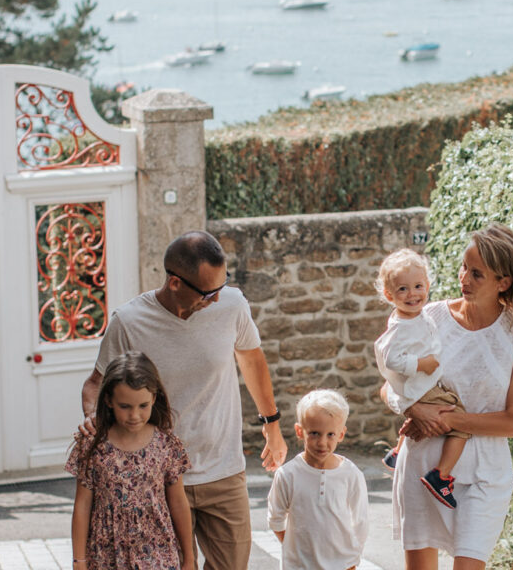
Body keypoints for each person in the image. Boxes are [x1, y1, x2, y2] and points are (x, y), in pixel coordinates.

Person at [82, 231, 287, 570]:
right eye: (209, 292)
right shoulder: (129, 322)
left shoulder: (232, 304)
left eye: (222, 288)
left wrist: (272, 424)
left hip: (223, 469)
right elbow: (95, 384)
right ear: (175, 282)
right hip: (158, 479)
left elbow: (252, 361)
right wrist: (93, 419)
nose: (217, 299)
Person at [386, 223, 513, 570]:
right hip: (422, 464)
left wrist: (446, 420)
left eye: (477, 274)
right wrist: (414, 408)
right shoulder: (428, 318)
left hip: (485, 473)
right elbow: (389, 385)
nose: (464, 279)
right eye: (464, 267)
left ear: (503, 282)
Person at [68, 352, 195, 570]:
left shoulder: (166, 444)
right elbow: (82, 506)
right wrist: (79, 561)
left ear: (154, 398)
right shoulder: (92, 446)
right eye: (125, 406)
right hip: (105, 555)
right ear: (108, 400)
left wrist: (189, 559)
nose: (134, 415)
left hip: (158, 552)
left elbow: (178, 502)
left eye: (143, 406)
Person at [373, 249, 469, 508]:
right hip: (421, 385)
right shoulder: (401, 326)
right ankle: (441, 476)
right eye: (402, 289)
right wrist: (421, 363)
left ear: (428, 285)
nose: (412, 294)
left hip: (423, 384)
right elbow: (391, 359)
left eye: (418, 286)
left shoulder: (417, 315)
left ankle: (396, 451)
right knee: (461, 422)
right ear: (389, 295)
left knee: (429, 418)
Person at [266, 390, 370, 570]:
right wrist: (295, 551)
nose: (322, 442)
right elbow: (276, 518)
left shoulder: (351, 474)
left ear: (342, 434)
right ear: (300, 431)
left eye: (330, 434)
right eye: (314, 433)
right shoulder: (287, 474)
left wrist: (352, 561)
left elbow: (360, 522)